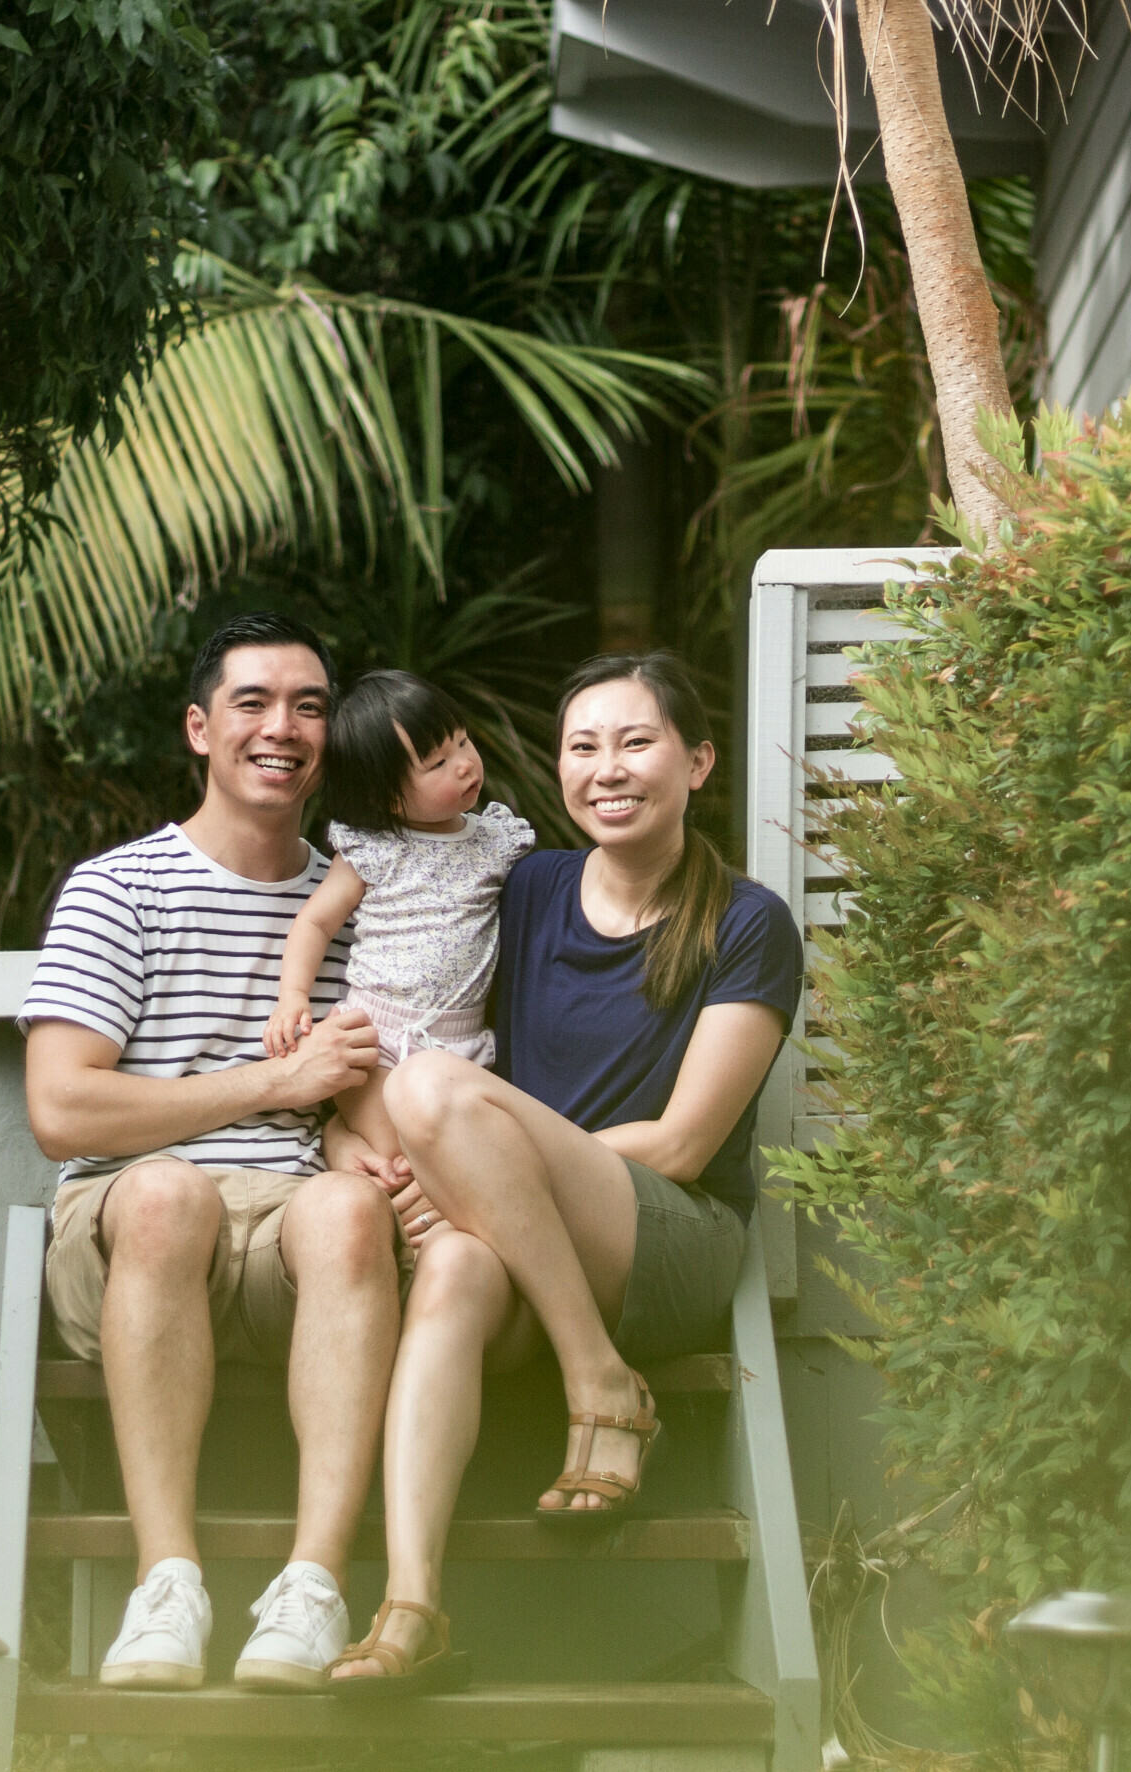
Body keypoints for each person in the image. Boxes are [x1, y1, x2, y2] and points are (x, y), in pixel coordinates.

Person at [323, 650, 803, 1697]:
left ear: (697, 761)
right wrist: (350, 1140)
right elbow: (399, 982)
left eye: (635, 742)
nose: (606, 768)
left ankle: (600, 1379)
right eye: (582, 746)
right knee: (452, 1265)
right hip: (525, 1240)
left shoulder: (748, 922)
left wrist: (476, 1158)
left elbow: (682, 1145)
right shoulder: (529, 885)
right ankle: (411, 1605)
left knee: (437, 1087)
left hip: (667, 1236)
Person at [19, 612, 407, 1694]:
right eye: (253, 703)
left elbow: (407, 1070)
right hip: (133, 1234)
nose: (282, 728)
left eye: (309, 707)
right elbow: (61, 1109)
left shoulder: (363, 900)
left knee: (350, 1211)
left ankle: (314, 1586)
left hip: (301, 1234)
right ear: (200, 728)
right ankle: (167, 1584)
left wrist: (375, 1152)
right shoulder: (119, 888)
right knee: (166, 1198)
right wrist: (273, 1084)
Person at [263, 669, 537, 1163]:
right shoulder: (374, 848)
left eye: (462, 741)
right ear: (385, 796)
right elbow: (316, 922)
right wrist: (292, 997)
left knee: (460, 1157)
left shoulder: (496, 840)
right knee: (396, 1151)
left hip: (461, 1039)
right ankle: (340, 1136)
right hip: (376, 1039)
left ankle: (346, 1143)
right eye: (437, 763)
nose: (464, 764)